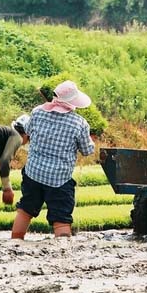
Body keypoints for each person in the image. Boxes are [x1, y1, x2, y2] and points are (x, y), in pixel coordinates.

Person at [11, 80, 95, 239]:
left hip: (33, 173)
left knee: (25, 210)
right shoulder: (79, 123)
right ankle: (61, 251)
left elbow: (28, 131)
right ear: (73, 102)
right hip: (59, 180)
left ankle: (15, 242)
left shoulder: (37, 112)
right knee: (61, 218)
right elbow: (87, 150)